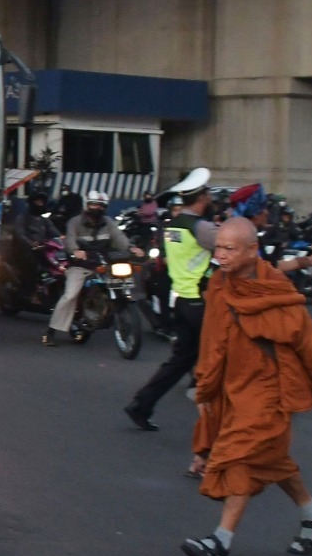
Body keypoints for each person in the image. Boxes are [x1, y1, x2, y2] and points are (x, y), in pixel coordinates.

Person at [180, 217, 312, 556]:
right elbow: (211, 343)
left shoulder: (275, 288)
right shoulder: (220, 285)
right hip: (233, 387)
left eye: (230, 249)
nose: (221, 255)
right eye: (219, 248)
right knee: (271, 459)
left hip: (270, 389)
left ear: (252, 251)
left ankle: (220, 541)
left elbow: (303, 342)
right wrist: (206, 390)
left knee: (239, 456)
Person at [124, 169, 214, 431]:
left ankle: (141, 406)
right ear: (202, 198)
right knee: (224, 358)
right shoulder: (202, 228)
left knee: (179, 361)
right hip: (202, 301)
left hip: (180, 301)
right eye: (207, 194)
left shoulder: (172, 225)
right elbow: (234, 248)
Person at [45, 188, 132, 347]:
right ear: (87, 205)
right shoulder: (75, 222)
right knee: (70, 295)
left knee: (123, 281)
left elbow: (120, 239)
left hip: (103, 264)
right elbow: (70, 240)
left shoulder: (109, 222)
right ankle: (51, 331)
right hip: (80, 266)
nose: (96, 208)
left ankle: (109, 311)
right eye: (93, 204)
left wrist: (131, 248)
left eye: (100, 205)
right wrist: (75, 251)